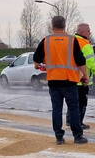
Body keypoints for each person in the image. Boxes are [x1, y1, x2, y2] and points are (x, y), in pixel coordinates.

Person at [33, 15, 88, 144]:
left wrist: (39, 65)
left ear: (52, 26)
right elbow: (81, 61)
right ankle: (78, 136)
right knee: (74, 108)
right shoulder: (72, 40)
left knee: (57, 109)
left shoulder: (46, 41)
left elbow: (36, 61)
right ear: (65, 26)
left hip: (53, 81)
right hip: (69, 81)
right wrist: (84, 76)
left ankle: (59, 137)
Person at [74, 22, 95, 130]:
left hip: (70, 78)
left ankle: (70, 120)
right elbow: (92, 62)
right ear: (82, 32)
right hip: (82, 79)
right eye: (88, 30)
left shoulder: (71, 41)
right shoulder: (85, 44)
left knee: (73, 102)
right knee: (82, 103)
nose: (90, 32)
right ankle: (79, 123)